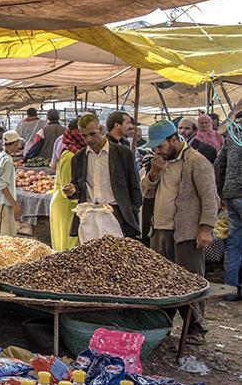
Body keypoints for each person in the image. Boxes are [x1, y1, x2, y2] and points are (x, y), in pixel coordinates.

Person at [141, 120, 219, 342]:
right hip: (159, 230)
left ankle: (195, 329)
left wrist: (206, 229)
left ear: (174, 140)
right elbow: (146, 192)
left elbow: (210, 198)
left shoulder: (196, 161)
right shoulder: (158, 162)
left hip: (185, 233)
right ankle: (162, 326)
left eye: (160, 146)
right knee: (161, 283)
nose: (157, 151)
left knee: (190, 282)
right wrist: (154, 173)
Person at [63, 113, 142, 239]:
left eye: (92, 134)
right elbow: (77, 187)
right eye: (84, 136)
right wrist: (73, 190)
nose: (89, 139)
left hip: (116, 213)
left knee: (117, 250)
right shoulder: (78, 158)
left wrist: (131, 212)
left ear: (101, 130)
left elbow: (135, 188)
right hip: (89, 215)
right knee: (90, 251)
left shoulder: (123, 154)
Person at [214, 109, 242, 301]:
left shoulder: (231, 137)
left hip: (231, 195)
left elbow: (218, 165)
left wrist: (221, 191)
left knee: (234, 243)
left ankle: (231, 290)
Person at [49, 125, 86, 250]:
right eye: (84, 135)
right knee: (67, 247)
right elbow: (66, 188)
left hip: (70, 206)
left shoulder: (78, 153)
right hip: (66, 206)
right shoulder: (69, 156)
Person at [0, 130, 22, 236]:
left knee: (9, 236)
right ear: (13, 144)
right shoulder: (7, 160)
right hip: (2, 202)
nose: (18, 147)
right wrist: (15, 204)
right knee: (2, 237)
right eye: (17, 144)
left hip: (3, 203)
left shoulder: (1, 155)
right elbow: (2, 185)